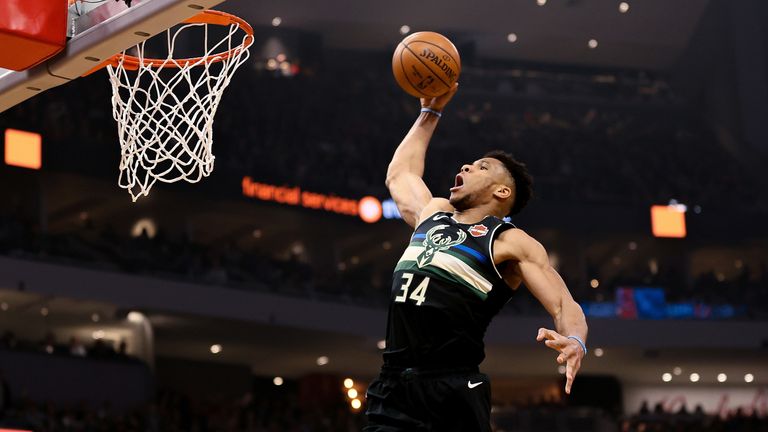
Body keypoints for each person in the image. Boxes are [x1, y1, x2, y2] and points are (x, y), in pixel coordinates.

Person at [364, 83, 588, 432]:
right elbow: (401, 174)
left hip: (452, 390)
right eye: (469, 164)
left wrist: (575, 341)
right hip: (392, 386)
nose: (467, 167)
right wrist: (429, 112)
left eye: (481, 167)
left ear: (502, 191)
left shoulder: (511, 242)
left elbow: (563, 305)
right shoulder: (433, 212)